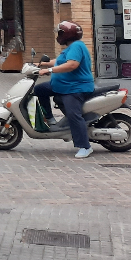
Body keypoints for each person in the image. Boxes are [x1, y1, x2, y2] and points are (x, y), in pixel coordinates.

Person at [35, 21, 96, 158]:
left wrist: (49, 70)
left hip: (75, 88)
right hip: (63, 85)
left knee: (73, 114)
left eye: (60, 33)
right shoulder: (71, 47)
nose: (58, 36)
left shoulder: (76, 46)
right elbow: (60, 61)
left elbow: (72, 65)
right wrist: (40, 64)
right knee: (40, 90)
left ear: (66, 35)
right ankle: (50, 119)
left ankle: (85, 147)